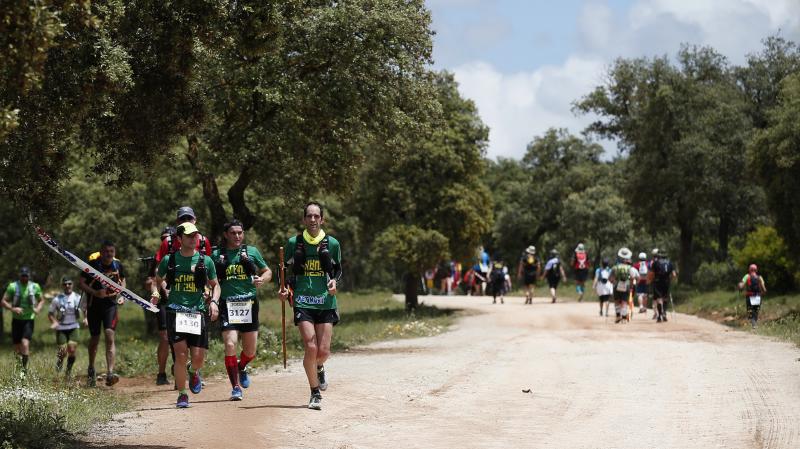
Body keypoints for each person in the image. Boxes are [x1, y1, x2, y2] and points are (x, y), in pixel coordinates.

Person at [279, 202, 342, 410]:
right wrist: (284, 288)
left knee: (323, 351)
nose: (313, 220)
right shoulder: (293, 242)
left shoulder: (332, 243)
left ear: (322, 219)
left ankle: (319, 366)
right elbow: (284, 270)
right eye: (309, 216)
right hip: (303, 301)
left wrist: (334, 283)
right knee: (311, 346)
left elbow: (338, 270)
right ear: (304, 220)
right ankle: (314, 392)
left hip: (325, 301)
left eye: (317, 216)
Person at [152, 222, 219, 408]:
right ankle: (182, 394)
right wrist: (157, 292)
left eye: (195, 235)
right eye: (189, 235)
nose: (193, 238)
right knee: (181, 355)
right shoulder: (169, 260)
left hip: (197, 313)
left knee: (197, 358)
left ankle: (193, 371)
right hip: (175, 312)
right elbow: (157, 281)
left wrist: (213, 302)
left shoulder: (206, 261)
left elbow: (215, 285)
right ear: (179, 239)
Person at [212, 219, 272, 401]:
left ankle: (242, 366)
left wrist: (263, 279)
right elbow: (209, 276)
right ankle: (235, 387)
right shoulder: (217, 254)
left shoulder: (251, 252)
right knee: (230, 344)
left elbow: (267, 271)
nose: (237, 236)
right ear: (226, 235)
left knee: (250, 351)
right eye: (233, 233)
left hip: (249, 304)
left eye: (240, 232)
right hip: (227, 304)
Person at [80, 240, 125, 387]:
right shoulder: (92, 265)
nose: (108, 254)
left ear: (114, 252)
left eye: (111, 252)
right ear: (101, 252)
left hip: (110, 305)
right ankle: (91, 368)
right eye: (106, 251)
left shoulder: (117, 265)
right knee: (95, 338)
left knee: (109, 334)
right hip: (94, 306)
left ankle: (110, 373)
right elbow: (81, 282)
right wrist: (95, 292)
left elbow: (123, 280)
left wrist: (122, 294)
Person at [1, 267, 44, 371]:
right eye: (23, 276)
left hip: (29, 319)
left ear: (29, 276)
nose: (24, 278)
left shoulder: (35, 286)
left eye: (26, 276)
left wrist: (38, 308)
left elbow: (41, 300)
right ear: (19, 275)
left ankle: (23, 372)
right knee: (16, 347)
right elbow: (3, 301)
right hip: (16, 320)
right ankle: (18, 366)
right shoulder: (13, 286)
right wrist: (13, 308)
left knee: (25, 343)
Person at [49, 277, 82, 375]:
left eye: (69, 283)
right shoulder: (57, 299)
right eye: (65, 284)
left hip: (74, 326)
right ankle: (59, 366)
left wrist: (86, 318)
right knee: (62, 352)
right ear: (62, 286)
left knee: (71, 349)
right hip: (61, 327)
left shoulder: (78, 297)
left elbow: (85, 309)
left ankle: (68, 371)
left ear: (72, 284)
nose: (67, 286)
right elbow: (50, 313)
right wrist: (54, 322)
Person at [609, 248, 639, 323]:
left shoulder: (615, 267)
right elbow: (632, 278)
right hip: (627, 286)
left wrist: (613, 282)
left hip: (616, 285)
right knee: (624, 301)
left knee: (617, 301)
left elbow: (610, 278)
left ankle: (618, 315)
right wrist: (631, 285)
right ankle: (624, 317)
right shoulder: (630, 268)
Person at [648, 250, 677, 323]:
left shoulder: (655, 263)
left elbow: (651, 274)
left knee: (659, 299)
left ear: (659, 255)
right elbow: (674, 274)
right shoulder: (670, 263)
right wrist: (670, 280)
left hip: (657, 282)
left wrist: (650, 281)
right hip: (666, 282)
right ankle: (664, 313)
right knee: (665, 298)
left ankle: (660, 315)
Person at [739, 264, 767, 329]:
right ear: (756, 270)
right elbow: (764, 288)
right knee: (755, 311)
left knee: (750, 311)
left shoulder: (747, 276)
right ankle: (754, 324)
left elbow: (742, 284)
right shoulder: (759, 277)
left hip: (749, 296)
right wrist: (764, 292)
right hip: (757, 296)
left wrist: (740, 287)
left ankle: (753, 324)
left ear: (749, 270)